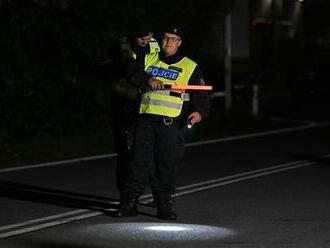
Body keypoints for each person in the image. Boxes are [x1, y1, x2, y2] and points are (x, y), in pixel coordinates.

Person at [115, 25, 211, 220]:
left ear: (179, 43)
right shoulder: (149, 57)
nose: (169, 42)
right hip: (145, 120)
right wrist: (147, 79)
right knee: (138, 162)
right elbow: (131, 71)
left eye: (174, 39)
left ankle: (163, 204)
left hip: (171, 123)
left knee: (166, 165)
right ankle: (129, 203)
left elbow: (200, 93)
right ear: (161, 40)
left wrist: (199, 111)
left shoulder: (189, 66)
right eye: (166, 38)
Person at [104, 25, 160, 207]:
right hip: (126, 103)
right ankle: (127, 199)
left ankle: (160, 196)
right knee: (126, 152)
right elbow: (130, 67)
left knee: (150, 152)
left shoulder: (155, 46)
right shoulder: (123, 46)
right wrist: (145, 80)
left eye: (149, 35)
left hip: (149, 103)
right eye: (141, 36)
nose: (145, 39)